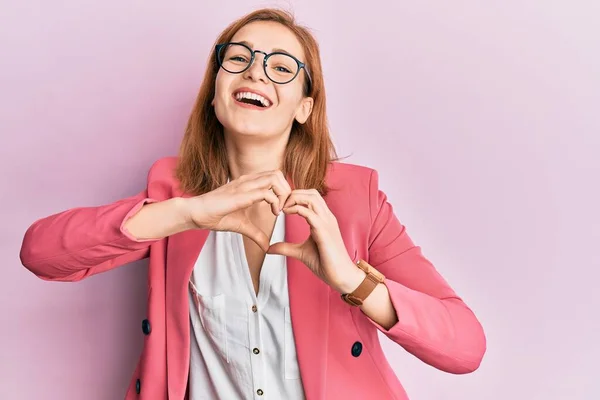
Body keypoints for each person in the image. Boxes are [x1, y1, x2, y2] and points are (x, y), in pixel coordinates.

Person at [19, 7, 486, 400]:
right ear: (216, 95)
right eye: (238, 58)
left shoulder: (356, 198)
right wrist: (186, 212)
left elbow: (465, 347)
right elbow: (40, 254)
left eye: (282, 67)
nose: (256, 70)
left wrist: (351, 279)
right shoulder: (172, 192)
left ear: (304, 107)